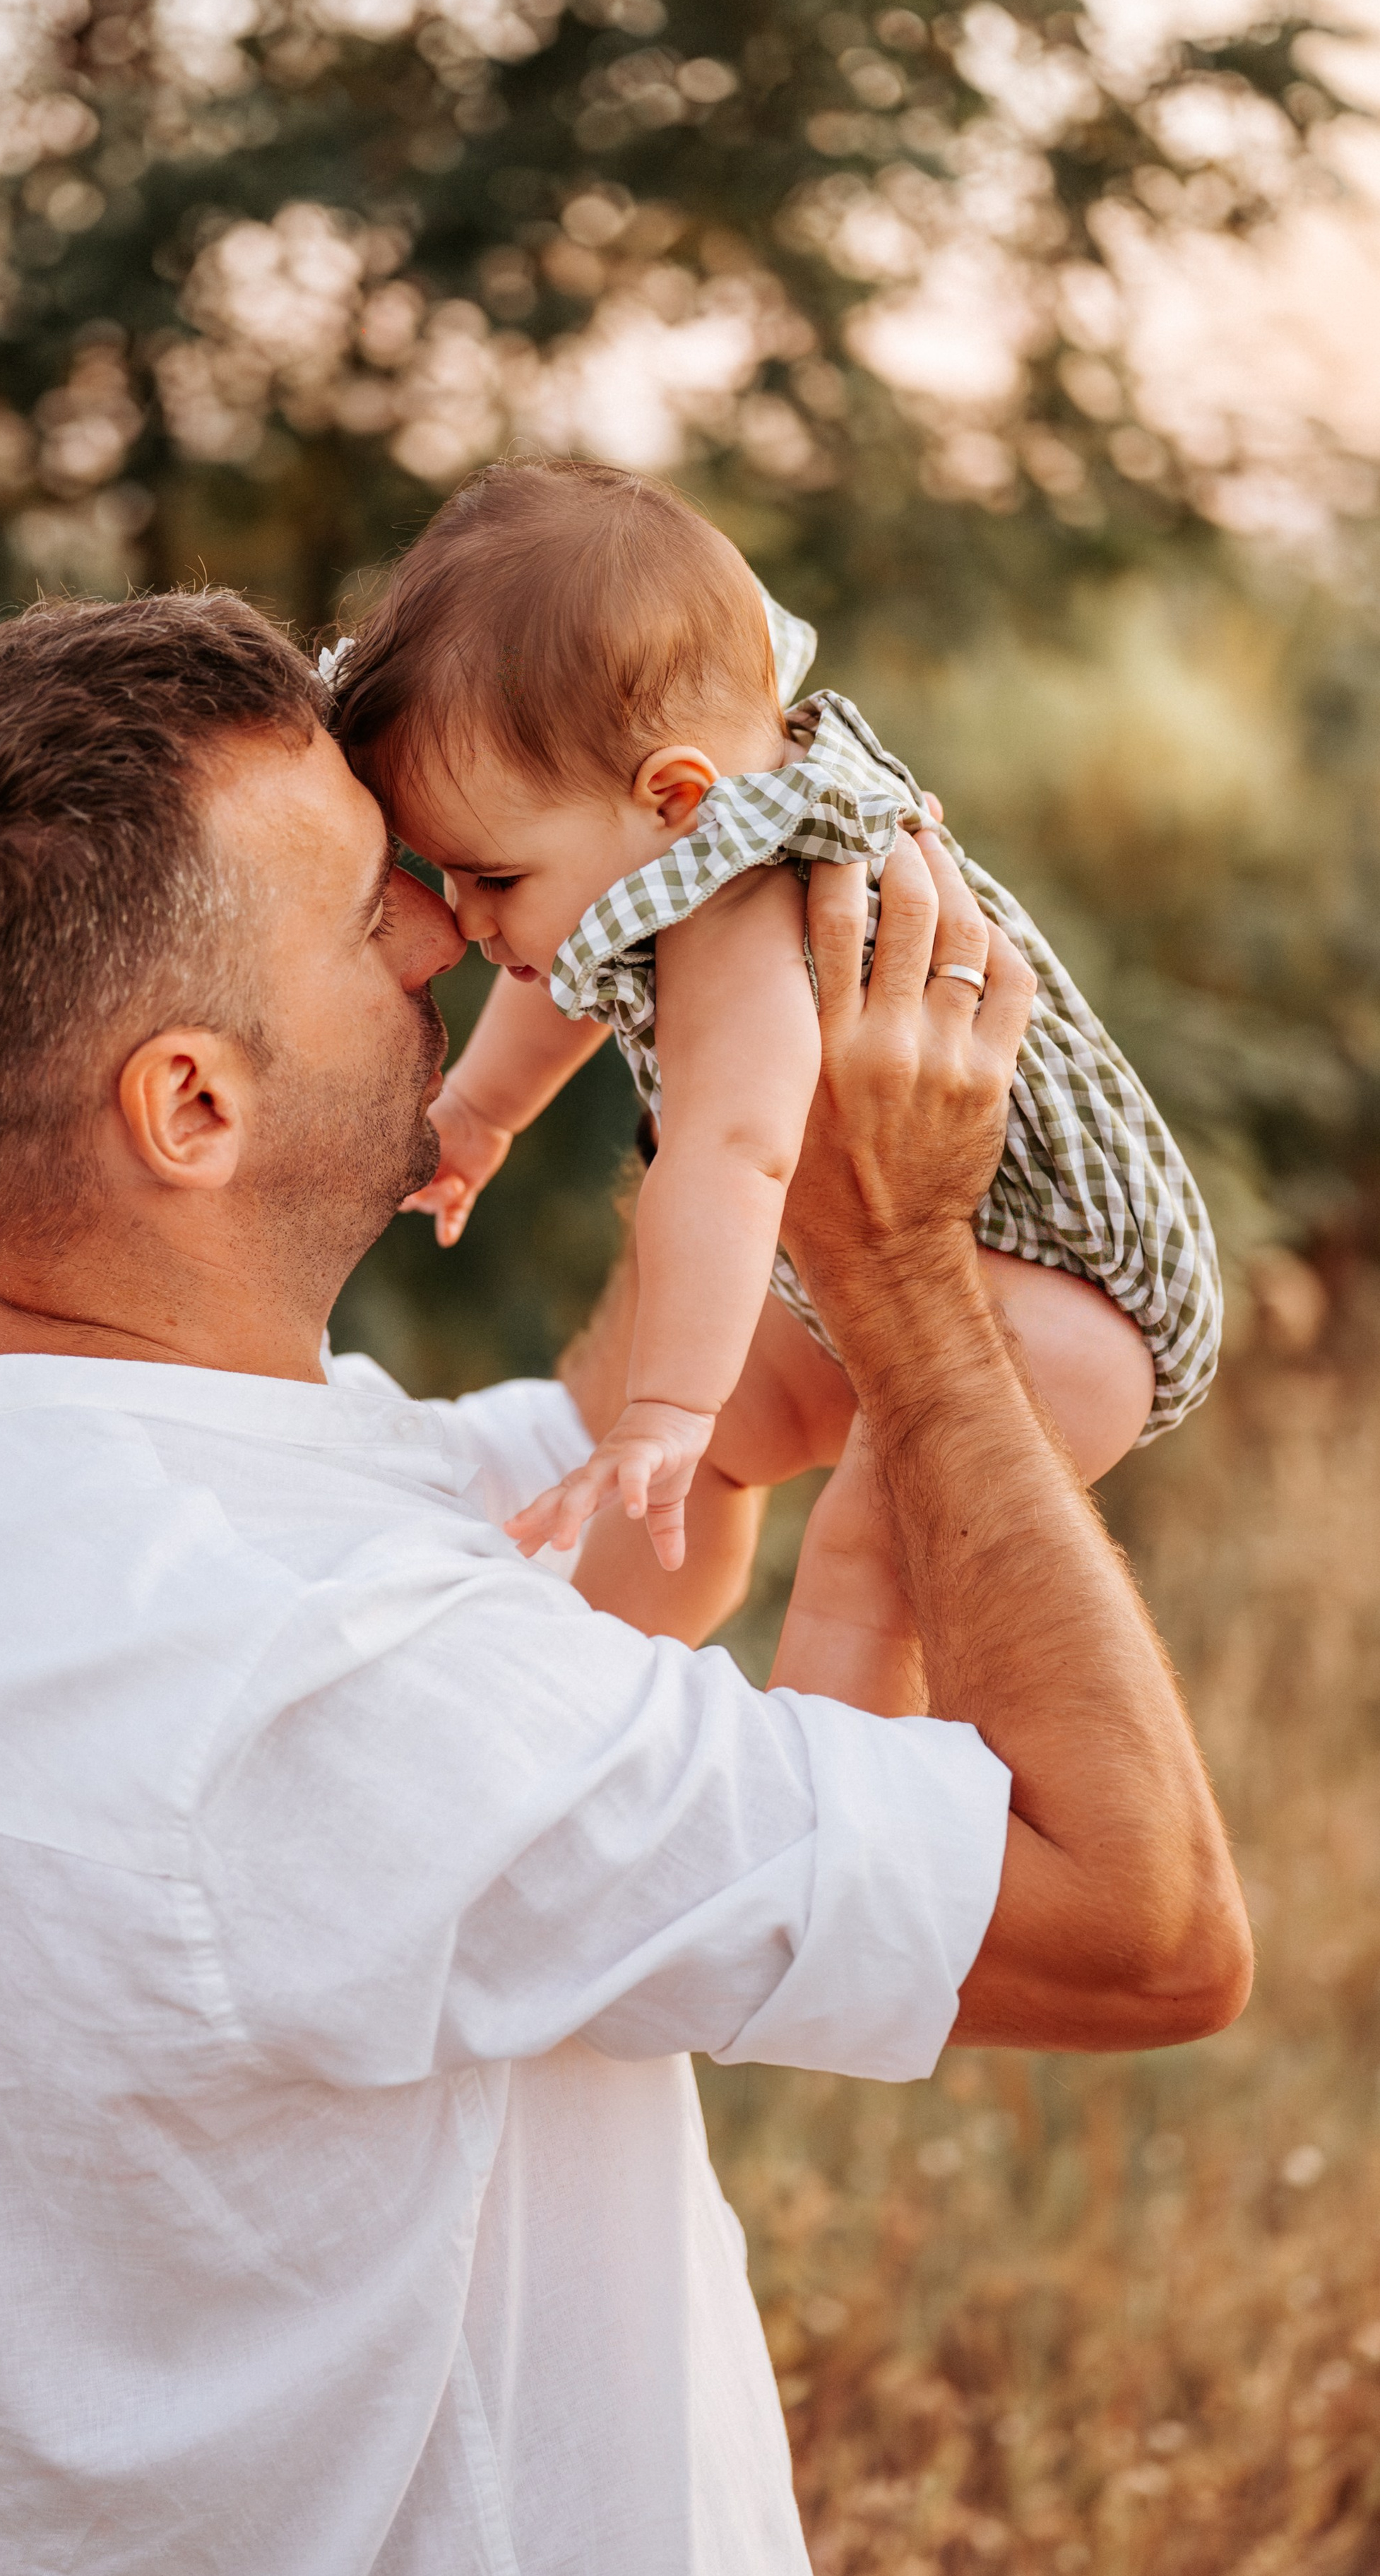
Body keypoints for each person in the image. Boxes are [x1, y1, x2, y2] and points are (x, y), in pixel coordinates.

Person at [0, 585, 1249, 2576]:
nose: (455, 936)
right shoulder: (316, 1680)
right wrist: (903, 1272)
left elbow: (610, 1487)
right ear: (191, 1106)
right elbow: (1150, 1936)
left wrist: (759, 1111)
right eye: (379, 905)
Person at [328, 459, 1220, 1711]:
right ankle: (571, 1697)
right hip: (912, 1249)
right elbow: (561, 966)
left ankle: (829, 1817)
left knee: (863, 1547)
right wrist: (483, 1108)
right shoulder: (656, 841)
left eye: (492, 878)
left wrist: (663, 1400)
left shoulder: (751, 910)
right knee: (692, 1471)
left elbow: (734, 1151)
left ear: (675, 798)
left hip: (1067, 1295)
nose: (468, 920)